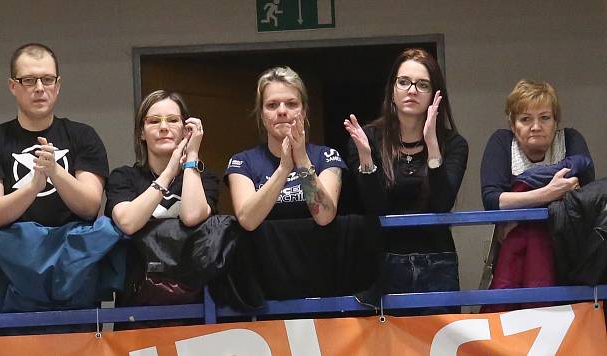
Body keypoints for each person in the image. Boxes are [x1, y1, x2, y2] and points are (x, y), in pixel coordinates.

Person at [0, 43, 111, 336]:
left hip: (73, 277)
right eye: (28, 80)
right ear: (12, 86)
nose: (39, 88)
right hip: (11, 280)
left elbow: (90, 205)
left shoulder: (83, 136)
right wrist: (33, 186)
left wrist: (55, 172)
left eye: (47, 79)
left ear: (58, 85)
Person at [344, 48, 468, 313]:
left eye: (422, 84)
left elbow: (442, 203)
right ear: (392, 89)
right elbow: (375, 205)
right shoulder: (367, 139)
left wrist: (432, 144)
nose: (412, 90)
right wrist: (367, 160)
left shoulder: (454, 144)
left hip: (437, 260)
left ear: (436, 94)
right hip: (383, 263)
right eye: (404, 82)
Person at [480, 80, 593, 305]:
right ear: (513, 125)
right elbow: (492, 200)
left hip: (566, 254)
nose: (536, 126)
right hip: (515, 261)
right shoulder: (502, 142)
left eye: (544, 117)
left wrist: (520, 194)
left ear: (555, 121)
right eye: (525, 119)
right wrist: (551, 192)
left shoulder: (570, 139)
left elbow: (585, 181)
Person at [226, 66, 344, 231]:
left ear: (303, 111)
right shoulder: (242, 162)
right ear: (261, 114)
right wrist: (283, 169)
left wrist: (301, 159)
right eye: (272, 105)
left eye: (291, 104)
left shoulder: (326, 156)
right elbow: (248, 221)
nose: (282, 111)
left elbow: (324, 216)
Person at [106, 90, 218, 234]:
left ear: (186, 130)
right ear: (142, 132)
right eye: (154, 121)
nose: (164, 127)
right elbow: (128, 223)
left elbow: (191, 216)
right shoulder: (123, 177)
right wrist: (168, 173)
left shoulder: (204, 178)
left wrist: (192, 155)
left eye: (172, 120)